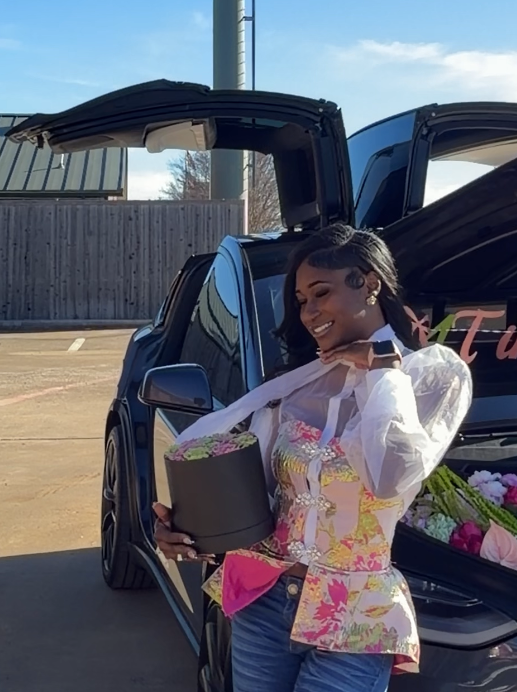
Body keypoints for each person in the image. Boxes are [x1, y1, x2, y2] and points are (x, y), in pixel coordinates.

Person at [154, 224, 472, 692]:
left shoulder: (432, 374)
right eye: (301, 300)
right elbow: (258, 499)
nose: (308, 312)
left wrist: (382, 366)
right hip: (264, 600)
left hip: (356, 613)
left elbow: (390, 474)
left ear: (370, 282)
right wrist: (189, 529)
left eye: (320, 292)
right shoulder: (294, 385)